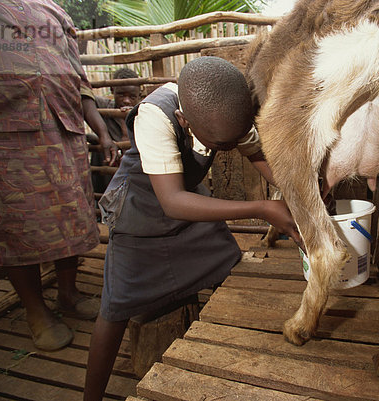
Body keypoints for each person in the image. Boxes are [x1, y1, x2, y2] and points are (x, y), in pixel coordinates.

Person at [83, 56, 302, 400]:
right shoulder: (155, 115)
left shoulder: (224, 109)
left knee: (226, 260)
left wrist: (299, 196)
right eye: (219, 147)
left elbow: (257, 154)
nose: (228, 150)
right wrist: (262, 207)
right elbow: (171, 201)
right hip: (141, 209)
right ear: (184, 121)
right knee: (116, 306)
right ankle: (91, 396)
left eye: (233, 142)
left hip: (188, 206)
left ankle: (217, 352)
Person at [0, 0, 119, 351]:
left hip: (62, 129)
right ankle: (36, 310)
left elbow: (78, 78)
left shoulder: (53, 9)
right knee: (15, 224)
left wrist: (102, 131)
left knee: (71, 218)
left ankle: (68, 292)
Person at [90, 67, 142, 195]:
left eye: (132, 96)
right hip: (107, 178)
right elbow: (83, 96)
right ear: (112, 90)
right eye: (121, 94)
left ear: (139, 95)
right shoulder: (103, 107)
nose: (126, 100)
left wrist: (127, 119)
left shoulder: (144, 111)